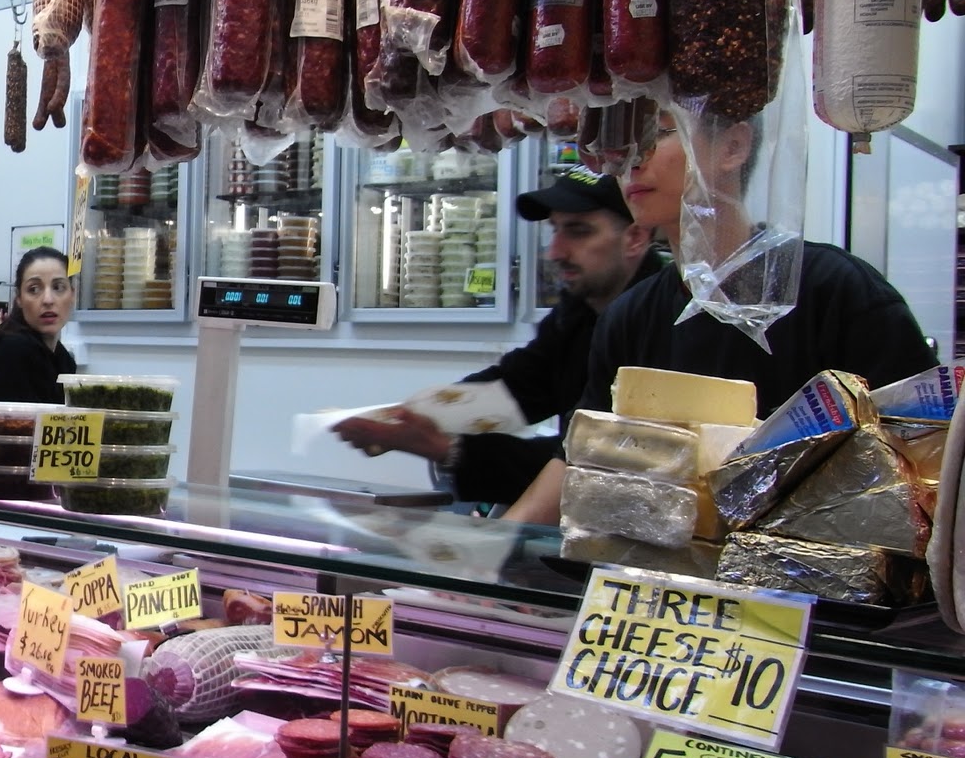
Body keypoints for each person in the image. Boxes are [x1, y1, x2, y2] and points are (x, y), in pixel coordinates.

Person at [502, 108, 937, 525]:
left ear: (733, 146)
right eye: (622, 142)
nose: (630, 160)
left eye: (658, 133)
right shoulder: (629, 316)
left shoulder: (837, 292)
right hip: (662, 583)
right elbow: (586, 456)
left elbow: (925, 455)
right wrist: (494, 546)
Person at [335, 167, 663, 511]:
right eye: (555, 231)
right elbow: (517, 388)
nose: (555, 251)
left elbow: (602, 461)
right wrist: (410, 415)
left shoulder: (662, 321)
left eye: (578, 232)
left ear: (635, 237)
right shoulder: (580, 311)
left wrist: (446, 448)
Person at [0, 247, 77, 404]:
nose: (48, 300)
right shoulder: (12, 350)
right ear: (19, 298)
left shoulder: (62, 358)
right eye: (34, 289)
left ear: (72, 294)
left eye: (58, 287)